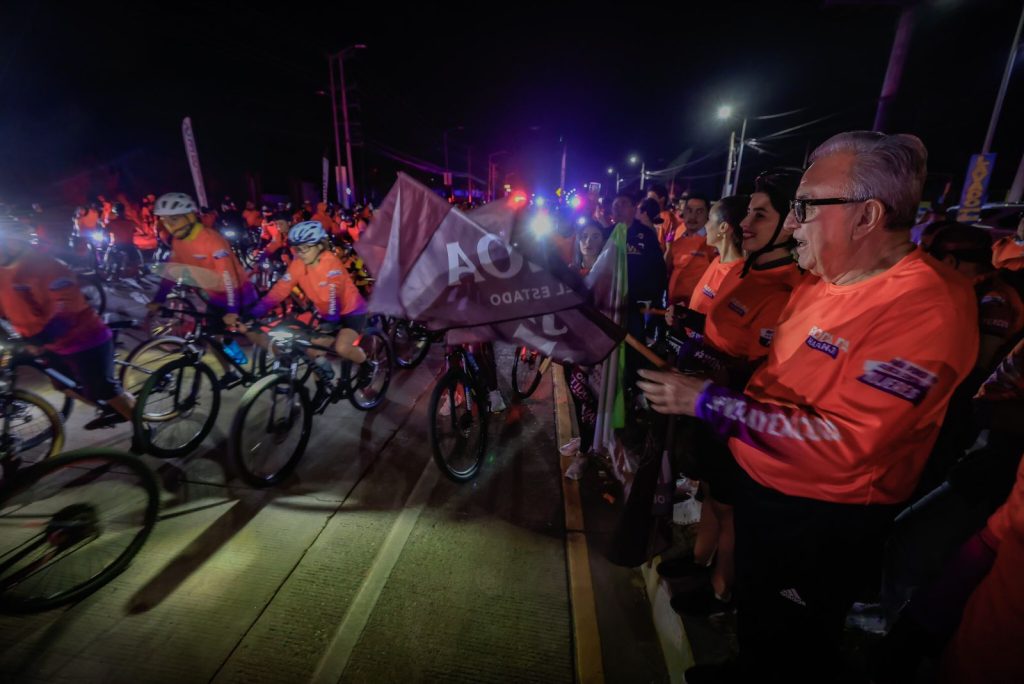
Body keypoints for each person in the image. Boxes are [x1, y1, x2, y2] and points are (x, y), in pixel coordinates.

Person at [637, 131, 979, 682]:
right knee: (759, 613)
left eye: (804, 208)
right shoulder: (822, 281)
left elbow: (845, 444)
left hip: (822, 518)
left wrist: (708, 401)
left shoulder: (927, 306)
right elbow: (779, 378)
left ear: (867, 215)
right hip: (765, 488)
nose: (792, 226)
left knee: (794, 641)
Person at [0, 222, 135, 430]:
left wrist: (41, 340)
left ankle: (142, 428)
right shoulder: (3, 271)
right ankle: (109, 407)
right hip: (47, 343)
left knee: (105, 389)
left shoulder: (47, 267)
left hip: (84, 340)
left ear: (14, 243)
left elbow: (67, 309)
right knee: (63, 385)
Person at [242, 221, 369, 412]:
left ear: (320, 245)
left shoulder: (330, 262)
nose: (300, 253)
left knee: (343, 347)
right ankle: (323, 387)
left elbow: (334, 294)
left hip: (351, 311)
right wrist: (255, 312)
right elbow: (280, 290)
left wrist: (331, 321)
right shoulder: (298, 264)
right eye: (297, 249)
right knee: (311, 350)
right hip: (328, 313)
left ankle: (367, 366)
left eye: (305, 248)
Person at [150, 193, 255, 359]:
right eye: (165, 221)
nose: (169, 226)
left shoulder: (212, 240)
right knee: (215, 337)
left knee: (251, 332)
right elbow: (171, 272)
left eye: (174, 219)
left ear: (190, 216)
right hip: (215, 298)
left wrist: (233, 310)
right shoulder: (179, 242)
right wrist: (158, 299)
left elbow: (228, 278)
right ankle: (236, 368)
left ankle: (281, 360)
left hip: (239, 296)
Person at [665, 193, 714, 307]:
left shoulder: (712, 243)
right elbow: (667, 270)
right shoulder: (678, 237)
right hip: (672, 307)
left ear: (708, 214)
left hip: (694, 310)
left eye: (699, 211)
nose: (693, 216)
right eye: (689, 210)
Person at [647, 183, 681, 247]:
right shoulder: (645, 216)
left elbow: (669, 243)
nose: (649, 202)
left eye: (652, 199)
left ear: (662, 199)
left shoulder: (668, 218)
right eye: (648, 199)